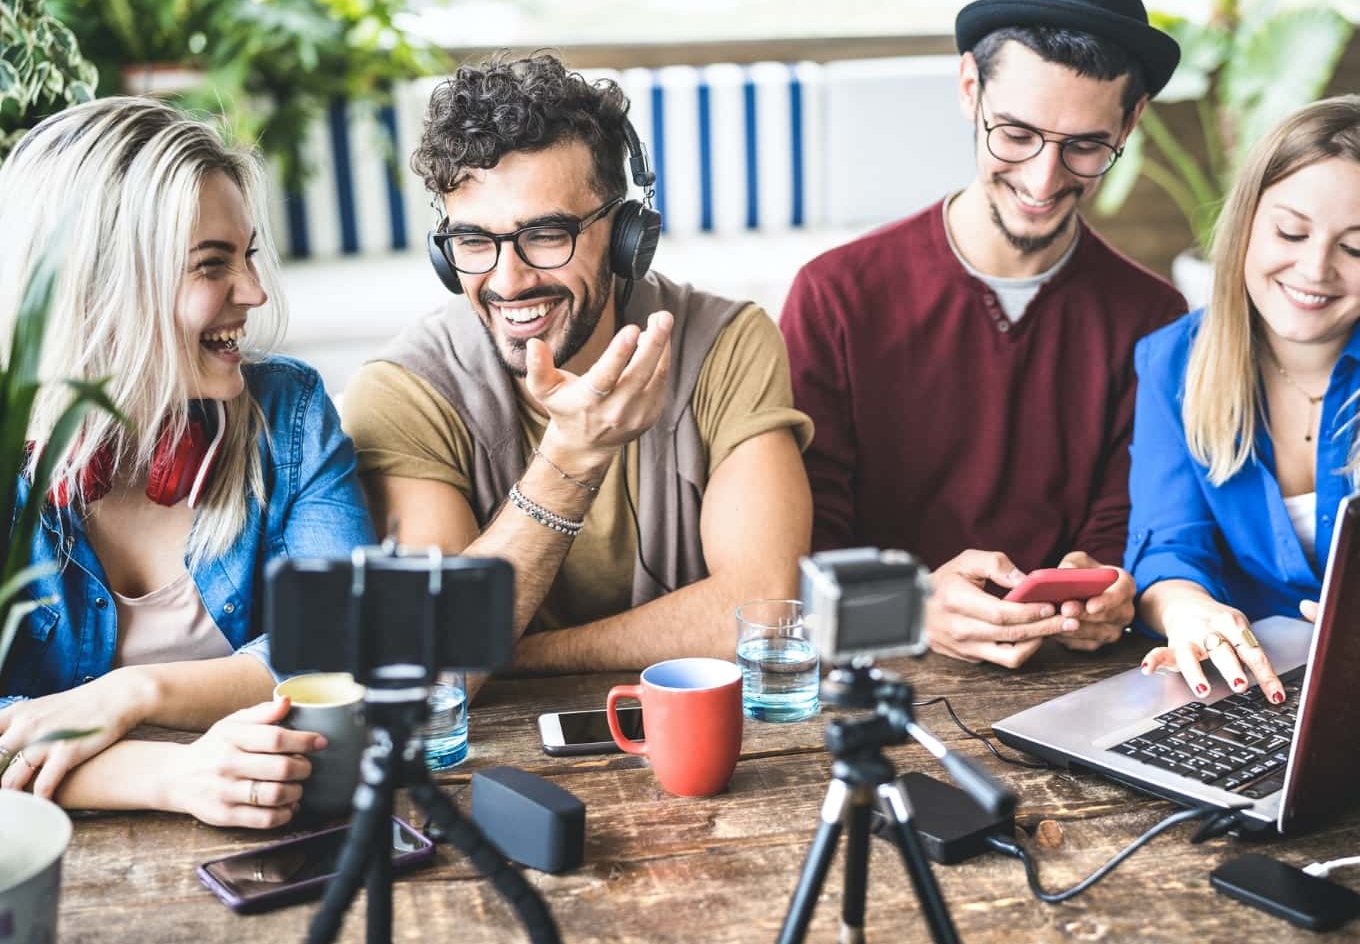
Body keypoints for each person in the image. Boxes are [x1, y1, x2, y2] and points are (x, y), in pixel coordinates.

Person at [340, 54, 812, 675]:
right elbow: (438, 665)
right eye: (474, 242)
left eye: (545, 235)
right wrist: (573, 454)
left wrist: (519, 654)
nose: (508, 282)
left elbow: (763, 608)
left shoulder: (727, 344)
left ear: (627, 236)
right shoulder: (402, 393)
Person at [779, 0, 1186, 668]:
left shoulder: (1156, 321)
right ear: (970, 88)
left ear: (1131, 121)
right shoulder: (835, 297)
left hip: (1077, 683)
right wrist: (913, 606)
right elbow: (797, 554)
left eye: (1085, 146)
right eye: (1017, 135)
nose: (1042, 179)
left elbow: (1134, 531)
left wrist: (1111, 590)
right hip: (874, 678)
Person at [0, 97, 375, 827]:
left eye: (249, 254)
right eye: (213, 265)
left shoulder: (290, 413)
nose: (255, 292)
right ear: (104, 288)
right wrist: (171, 774)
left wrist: (134, 693)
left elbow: (348, 639)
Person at [1130, 94, 1360, 702]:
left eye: (1356, 247)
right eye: (1290, 231)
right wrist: (1189, 609)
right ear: (1246, 220)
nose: (1315, 269)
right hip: (1244, 689)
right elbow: (1168, 546)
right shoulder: (1171, 360)